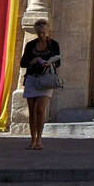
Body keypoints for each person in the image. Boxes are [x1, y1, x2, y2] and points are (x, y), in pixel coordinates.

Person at [20, 20, 61, 149]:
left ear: (48, 30)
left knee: (40, 109)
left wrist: (50, 63)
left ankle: (39, 139)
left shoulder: (53, 44)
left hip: (46, 80)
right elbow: (23, 63)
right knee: (32, 111)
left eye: (43, 32)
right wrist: (34, 61)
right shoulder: (30, 45)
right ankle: (32, 139)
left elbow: (58, 62)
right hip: (32, 78)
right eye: (39, 32)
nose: (41, 35)